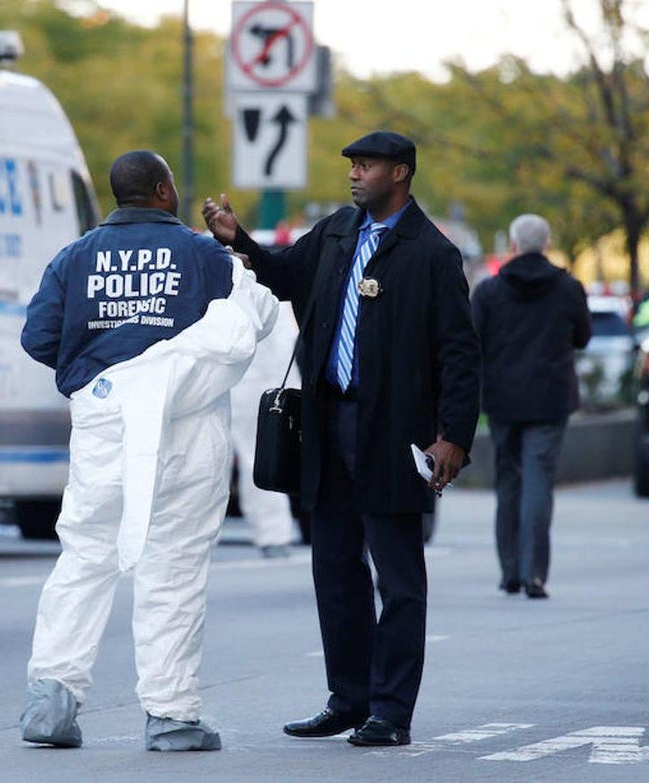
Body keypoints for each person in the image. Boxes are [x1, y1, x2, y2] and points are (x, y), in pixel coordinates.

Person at [202, 130, 481, 748]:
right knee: (335, 569)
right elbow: (283, 277)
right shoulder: (334, 232)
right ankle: (348, 698)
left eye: (368, 165)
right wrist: (240, 240)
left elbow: (460, 354)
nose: (355, 174)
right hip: (329, 425)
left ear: (401, 173)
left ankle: (390, 712)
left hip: (394, 433)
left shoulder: (431, 253)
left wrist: (452, 436)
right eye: (352, 164)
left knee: (398, 577)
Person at [18, 150, 278, 751]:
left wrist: (99, 359)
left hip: (104, 419)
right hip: (187, 426)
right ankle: (171, 714)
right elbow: (250, 307)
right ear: (164, 191)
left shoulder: (74, 257)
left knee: (85, 555)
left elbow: (39, 337)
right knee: (175, 565)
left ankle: (52, 702)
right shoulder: (201, 254)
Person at [470, 214, 591, 600]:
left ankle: (509, 571)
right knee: (539, 482)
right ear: (547, 242)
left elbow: (473, 344)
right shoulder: (569, 288)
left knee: (508, 484)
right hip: (551, 398)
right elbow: (584, 337)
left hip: (503, 399)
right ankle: (534, 573)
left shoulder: (488, 292)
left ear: (513, 245)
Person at [229, 299, 301, 558]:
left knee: (256, 459)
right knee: (254, 459)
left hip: (258, 386)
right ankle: (273, 533)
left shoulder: (271, 300)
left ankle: (273, 532)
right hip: (248, 383)